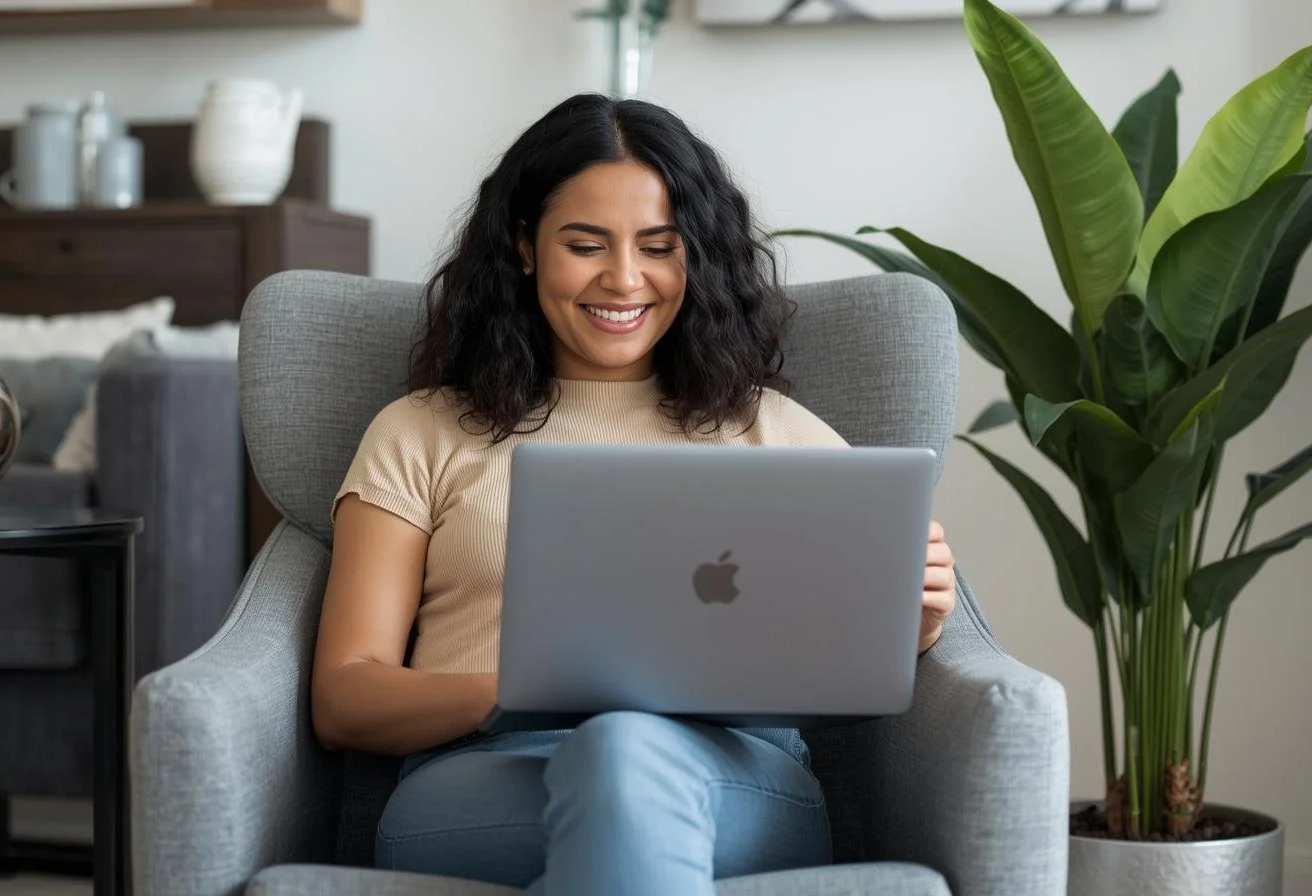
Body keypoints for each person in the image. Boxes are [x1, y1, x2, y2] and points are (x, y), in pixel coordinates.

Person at [312, 92, 959, 895]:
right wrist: (517, 693)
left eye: (659, 247)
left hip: (733, 782)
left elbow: (842, 659)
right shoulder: (422, 432)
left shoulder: (778, 432)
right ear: (524, 245)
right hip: (483, 783)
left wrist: (916, 626)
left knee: (625, 755)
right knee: (614, 761)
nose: (624, 279)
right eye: (585, 244)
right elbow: (345, 696)